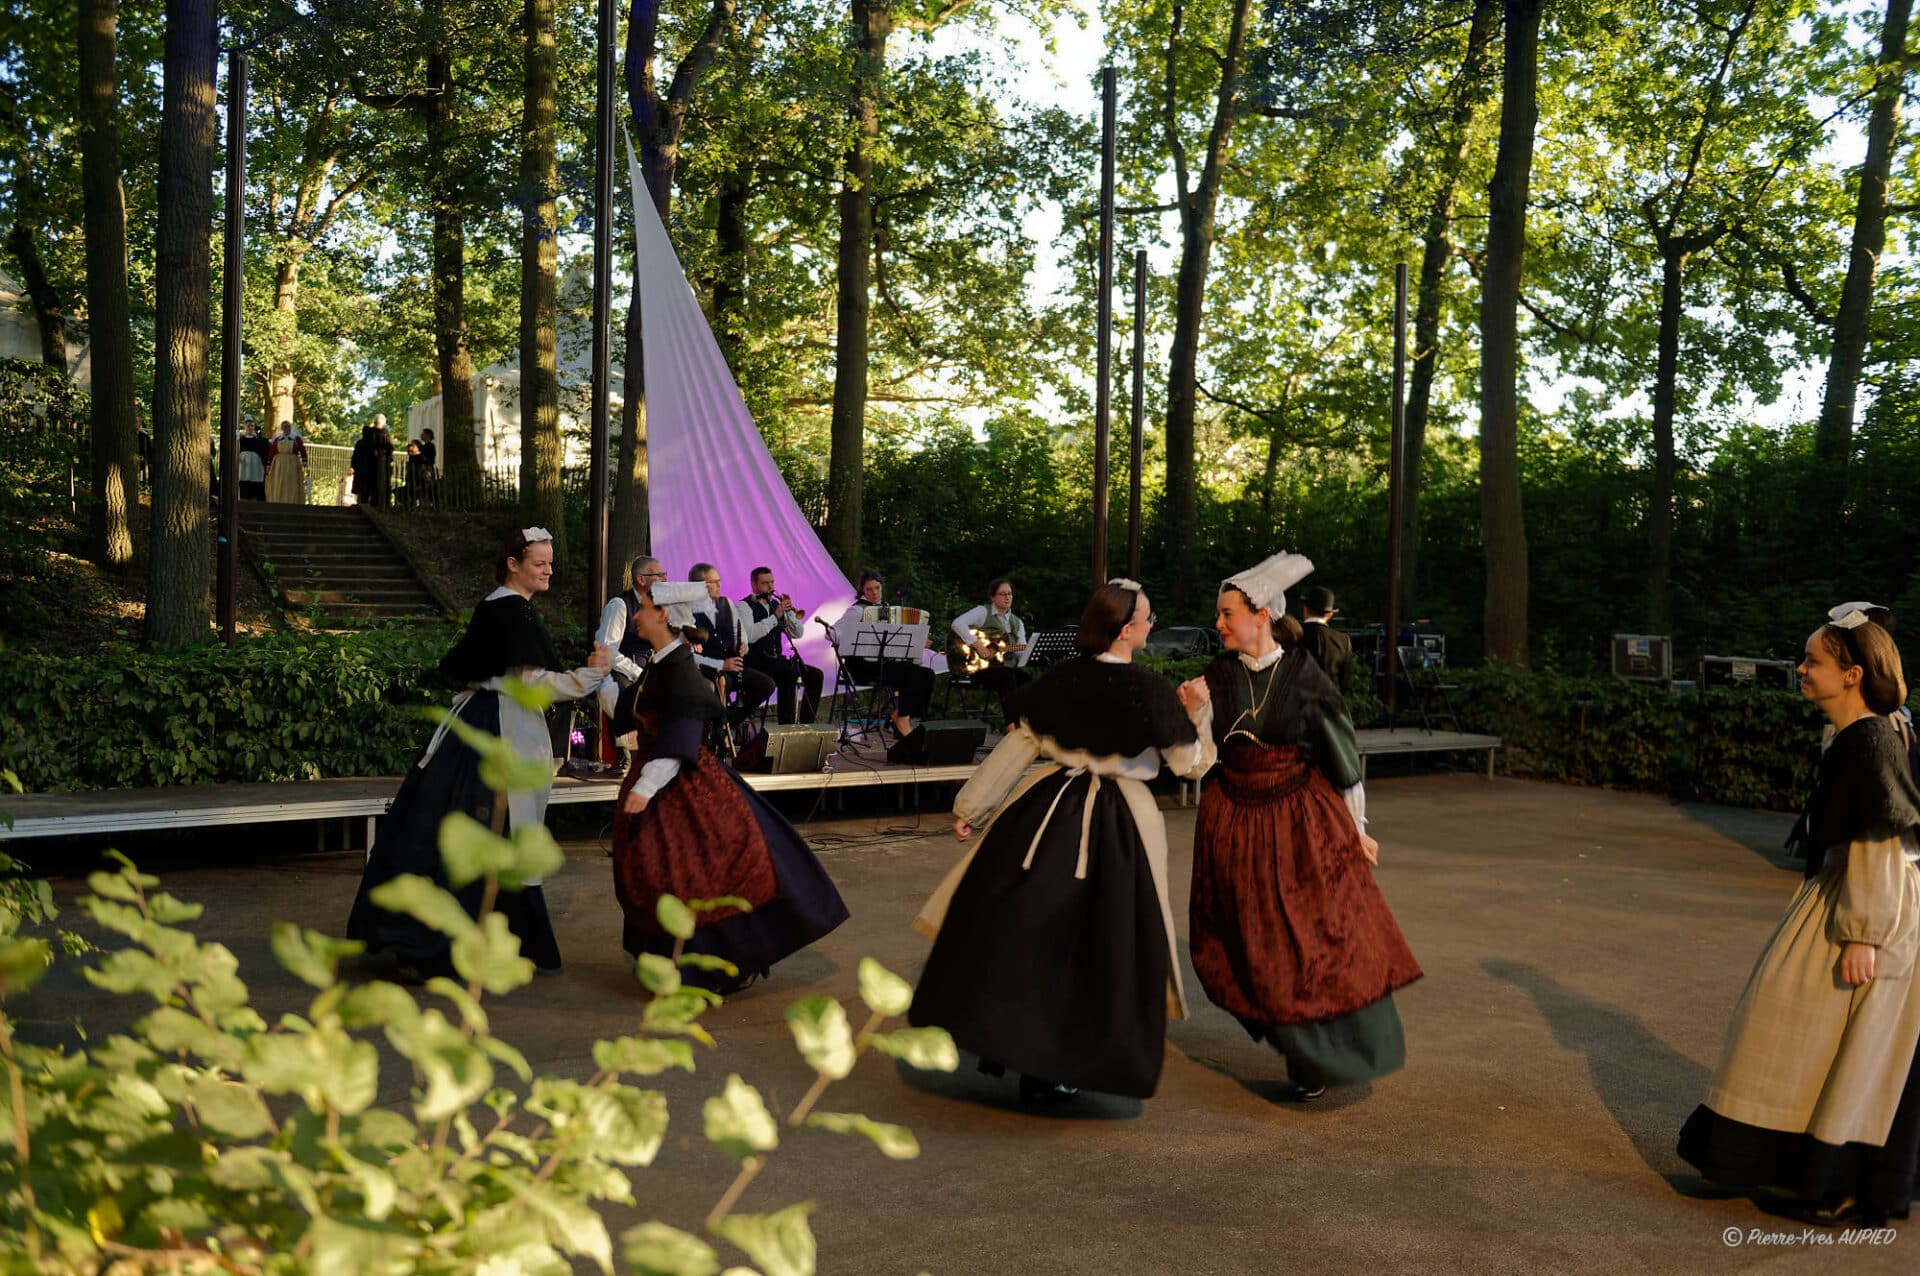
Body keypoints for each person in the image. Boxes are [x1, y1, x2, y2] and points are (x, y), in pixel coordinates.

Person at [910, 579, 1214, 1103]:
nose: (1151, 624)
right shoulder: (1151, 691)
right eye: (1147, 617)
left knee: (1028, 924)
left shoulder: (1063, 678)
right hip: (1121, 822)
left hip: (1046, 810)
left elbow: (1021, 744)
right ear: (1126, 630)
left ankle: (1018, 1043)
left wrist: (973, 808)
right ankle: (1064, 1057)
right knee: (1105, 937)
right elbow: (1190, 764)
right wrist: (1198, 712)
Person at [1677, 604, 1920, 1227]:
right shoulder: (1857, 735)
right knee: (1797, 1030)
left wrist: (1864, 935)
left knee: (1852, 1046)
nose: (1801, 669)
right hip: (1848, 893)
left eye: (1813, 661)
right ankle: (1803, 1168)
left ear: (1852, 675)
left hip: (1869, 903)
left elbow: (1880, 839)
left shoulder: (1871, 740)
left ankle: (1837, 1184)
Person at [1180, 551, 1422, 1100]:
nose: (1219, 623)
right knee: (1248, 943)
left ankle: (1316, 1055)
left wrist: (1356, 828)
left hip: (1295, 822)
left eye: (1227, 614)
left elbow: (1342, 756)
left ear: (1261, 615)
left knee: (1307, 940)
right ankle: (1296, 1042)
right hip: (1231, 823)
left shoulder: (1303, 675)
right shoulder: (1217, 675)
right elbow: (1196, 764)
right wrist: (1193, 712)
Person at [347, 528, 613, 977]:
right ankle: (447, 943)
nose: (549, 570)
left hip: (483, 721)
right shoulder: (510, 610)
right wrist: (590, 676)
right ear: (513, 564)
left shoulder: (503, 606)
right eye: (539, 563)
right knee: (489, 828)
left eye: (550, 563)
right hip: (499, 727)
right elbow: (532, 684)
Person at [610, 579, 849, 991]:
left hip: (678, 780)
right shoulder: (661, 662)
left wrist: (645, 788)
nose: (637, 614)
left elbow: (682, 736)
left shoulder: (680, 667)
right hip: (660, 776)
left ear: (663, 615)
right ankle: (675, 962)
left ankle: (703, 967)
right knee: (659, 872)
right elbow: (632, 710)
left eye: (644, 607)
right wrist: (599, 675)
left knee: (693, 873)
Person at [592, 555, 671, 770]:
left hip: (651, 668)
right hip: (624, 670)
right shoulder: (619, 605)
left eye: (665, 575)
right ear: (641, 579)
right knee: (621, 691)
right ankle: (625, 752)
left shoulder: (661, 607)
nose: (665, 579)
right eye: (659, 575)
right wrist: (637, 672)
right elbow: (607, 648)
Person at [843, 570, 935, 738]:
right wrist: (854, 635)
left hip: (884, 663)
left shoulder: (887, 609)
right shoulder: (856, 611)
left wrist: (918, 641)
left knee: (927, 674)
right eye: (869, 589)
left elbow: (896, 642)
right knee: (912, 675)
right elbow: (833, 633)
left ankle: (901, 716)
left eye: (877, 588)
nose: (874, 592)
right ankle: (901, 721)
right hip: (862, 666)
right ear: (862, 590)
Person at [689, 563, 774, 730]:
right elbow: (689, 655)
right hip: (707, 671)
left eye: (719, 581)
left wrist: (741, 646)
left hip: (732, 667)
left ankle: (729, 721)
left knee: (766, 685)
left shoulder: (726, 603)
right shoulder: (686, 611)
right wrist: (721, 665)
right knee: (721, 686)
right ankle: (717, 729)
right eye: (714, 582)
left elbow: (740, 634)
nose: (719, 585)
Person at [741, 566, 823, 725]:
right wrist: (775, 616)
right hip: (755, 661)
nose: (770, 587)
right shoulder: (744, 606)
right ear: (754, 585)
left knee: (815, 675)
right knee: (788, 673)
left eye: (772, 582)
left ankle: (806, 725)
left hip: (775, 660)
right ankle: (787, 726)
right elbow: (750, 636)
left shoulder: (775, 605)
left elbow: (797, 634)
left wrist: (789, 612)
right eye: (765, 583)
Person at [948, 578, 1033, 716]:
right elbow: (957, 624)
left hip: (1006, 668)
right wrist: (976, 644)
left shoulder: (1017, 622)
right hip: (978, 668)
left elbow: (1020, 651)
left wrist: (1032, 651)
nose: (1007, 597)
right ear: (992, 597)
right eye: (1002, 594)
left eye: (1009, 594)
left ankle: (1028, 721)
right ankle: (1012, 723)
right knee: (1007, 677)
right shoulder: (983, 612)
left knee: (1027, 680)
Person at [1296, 584, 1354, 693]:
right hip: (1330, 700)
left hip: (1299, 700)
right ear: (1330, 615)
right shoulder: (1343, 641)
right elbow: (1344, 683)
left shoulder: (1293, 635)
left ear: (1305, 609)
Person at [350, 416, 395, 510]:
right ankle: (378, 505)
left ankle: (363, 505)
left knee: (364, 491)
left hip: (364, 469)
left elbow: (355, 456)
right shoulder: (384, 434)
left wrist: (354, 466)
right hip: (377, 467)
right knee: (376, 489)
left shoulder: (362, 441)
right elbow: (389, 449)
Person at [263, 421, 307, 504]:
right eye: (284, 427)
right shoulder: (278, 439)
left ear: (290, 428)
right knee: (279, 481)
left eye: (288, 426)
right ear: (282, 428)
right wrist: (269, 464)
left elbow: (302, 449)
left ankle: (292, 501)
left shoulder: (296, 439)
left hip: (292, 463)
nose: (286, 428)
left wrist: (304, 460)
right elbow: (272, 451)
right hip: (279, 464)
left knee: (292, 482)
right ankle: (278, 500)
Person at [237, 417, 269, 501]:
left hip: (255, 465)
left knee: (255, 482)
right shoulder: (240, 440)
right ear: (245, 427)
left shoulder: (260, 440)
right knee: (243, 481)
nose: (250, 427)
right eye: (248, 426)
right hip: (243, 465)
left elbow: (264, 452)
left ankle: (254, 500)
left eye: (252, 426)